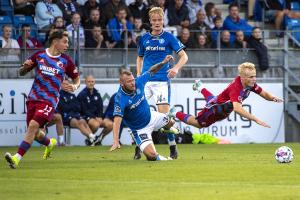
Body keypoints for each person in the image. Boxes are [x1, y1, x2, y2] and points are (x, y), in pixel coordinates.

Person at [4, 30, 80, 169]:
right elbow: (21, 72)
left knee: (32, 126)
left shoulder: (66, 61)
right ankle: (49, 143)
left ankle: (16, 159)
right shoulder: (39, 55)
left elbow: (77, 78)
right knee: (36, 133)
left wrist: (75, 86)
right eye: (65, 41)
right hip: (33, 98)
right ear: (55, 41)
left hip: (49, 100)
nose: (67, 45)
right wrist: (25, 68)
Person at [136, 7, 188, 159]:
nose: (157, 23)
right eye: (154, 20)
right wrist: (139, 74)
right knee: (139, 114)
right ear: (150, 22)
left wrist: (176, 68)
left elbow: (184, 56)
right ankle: (139, 148)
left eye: (160, 20)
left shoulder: (169, 38)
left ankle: (172, 147)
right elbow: (139, 57)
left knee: (164, 117)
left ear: (163, 21)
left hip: (161, 82)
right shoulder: (144, 38)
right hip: (145, 81)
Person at [169, 62, 283, 130]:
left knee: (215, 99)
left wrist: (273, 98)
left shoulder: (250, 83)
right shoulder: (236, 89)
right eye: (251, 77)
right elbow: (238, 109)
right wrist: (256, 119)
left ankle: (200, 87)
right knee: (198, 123)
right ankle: (174, 112)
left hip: (223, 106)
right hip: (214, 109)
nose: (254, 79)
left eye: (254, 76)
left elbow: (264, 94)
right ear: (242, 77)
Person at [110, 55, 177, 161]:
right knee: (151, 156)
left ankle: (163, 128)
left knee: (171, 122)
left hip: (152, 117)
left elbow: (152, 70)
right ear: (121, 83)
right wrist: (115, 141)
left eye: (132, 80)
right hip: (140, 129)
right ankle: (165, 159)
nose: (133, 83)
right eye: (129, 82)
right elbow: (117, 121)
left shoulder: (139, 82)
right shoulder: (120, 99)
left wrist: (163, 62)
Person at [57, 80, 97, 145]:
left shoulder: (72, 95)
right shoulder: (59, 95)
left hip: (75, 115)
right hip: (65, 117)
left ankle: (92, 139)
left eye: (67, 84)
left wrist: (71, 107)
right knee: (77, 122)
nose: (66, 86)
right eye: (64, 84)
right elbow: (63, 108)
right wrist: (71, 107)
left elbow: (78, 107)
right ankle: (92, 136)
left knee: (83, 121)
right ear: (61, 85)